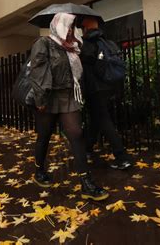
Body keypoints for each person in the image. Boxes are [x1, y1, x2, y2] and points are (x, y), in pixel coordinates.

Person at [29, 12, 109, 201]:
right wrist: (40, 99)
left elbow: (79, 70)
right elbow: (38, 71)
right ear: (58, 25)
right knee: (44, 135)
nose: (72, 30)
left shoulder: (72, 47)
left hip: (67, 96)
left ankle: (86, 182)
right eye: (69, 25)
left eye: (73, 26)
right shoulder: (44, 43)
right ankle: (39, 170)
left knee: (76, 134)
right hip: (48, 96)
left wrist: (80, 43)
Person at [79, 17, 132, 170]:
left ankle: (121, 157)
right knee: (96, 119)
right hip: (110, 86)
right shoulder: (108, 43)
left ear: (85, 28)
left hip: (95, 89)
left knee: (102, 119)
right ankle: (87, 149)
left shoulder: (87, 45)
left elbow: (82, 64)